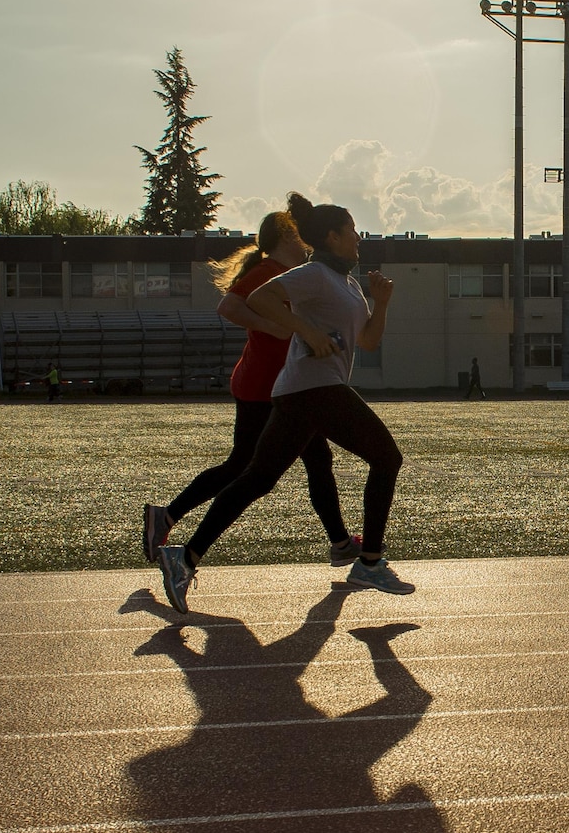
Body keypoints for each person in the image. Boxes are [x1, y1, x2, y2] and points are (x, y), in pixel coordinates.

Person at [158, 193, 410, 609]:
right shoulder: (313, 274)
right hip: (315, 387)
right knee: (387, 458)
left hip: (299, 391)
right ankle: (369, 561)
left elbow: (366, 340)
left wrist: (381, 303)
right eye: (351, 230)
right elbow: (260, 299)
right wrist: (307, 333)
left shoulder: (346, 283)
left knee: (258, 479)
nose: (358, 237)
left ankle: (182, 558)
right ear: (332, 236)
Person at [140, 209, 357, 568]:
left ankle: (340, 542)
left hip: (285, 385)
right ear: (288, 236)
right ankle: (167, 519)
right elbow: (229, 305)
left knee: (311, 460)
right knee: (248, 466)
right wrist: (271, 328)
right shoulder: (268, 270)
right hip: (265, 386)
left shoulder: (289, 273)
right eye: (299, 232)